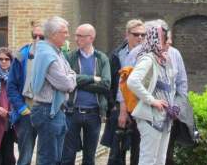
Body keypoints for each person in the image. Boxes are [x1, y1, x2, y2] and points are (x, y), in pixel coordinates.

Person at [127, 20, 180, 165]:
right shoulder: (148, 59)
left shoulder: (163, 59)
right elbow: (132, 81)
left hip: (164, 117)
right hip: (150, 117)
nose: (169, 42)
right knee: (148, 159)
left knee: (160, 159)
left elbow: (171, 86)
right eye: (165, 38)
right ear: (156, 39)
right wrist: (152, 100)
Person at [29, 16, 76, 165]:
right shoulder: (48, 56)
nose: (67, 35)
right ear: (54, 34)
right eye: (65, 32)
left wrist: (71, 76)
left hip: (56, 110)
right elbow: (67, 84)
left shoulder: (57, 52)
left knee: (55, 158)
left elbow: (71, 74)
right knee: (48, 159)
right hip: (47, 111)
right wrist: (71, 76)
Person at [62, 24, 111, 165]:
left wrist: (78, 81)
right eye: (76, 35)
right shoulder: (70, 57)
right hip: (72, 112)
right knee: (67, 156)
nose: (76, 39)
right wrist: (93, 78)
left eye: (80, 36)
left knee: (89, 157)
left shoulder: (102, 58)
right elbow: (67, 80)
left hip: (94, 113)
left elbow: (106, 84)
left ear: (91, 38)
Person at [103, 19, 146, 165]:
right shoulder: (116, 55)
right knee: (117, 150)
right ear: (127, 35)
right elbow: (112, 83)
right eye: (136, 34)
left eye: (143, 35)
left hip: (140, 107)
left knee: (138, 150)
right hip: (119, 107)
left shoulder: (148, 56)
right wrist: (114, 107)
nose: (140, 37)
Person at [7, 21, 43, 165]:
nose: (38, 40)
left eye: (42, 37)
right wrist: (21, 108)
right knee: (25, 156)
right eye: (35, 36)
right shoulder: (21, 56)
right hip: (27, 109)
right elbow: (11, 87)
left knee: (45, 155)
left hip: (47, 110)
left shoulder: (56, 56)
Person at [163, 28, 189, 165]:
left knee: (168, 152)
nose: (170, 42)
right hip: (151, 113)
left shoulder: (175, 54)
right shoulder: (143, 55)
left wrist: (178, 106)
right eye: (167, 38)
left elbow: (182, 83)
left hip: (171, 113)